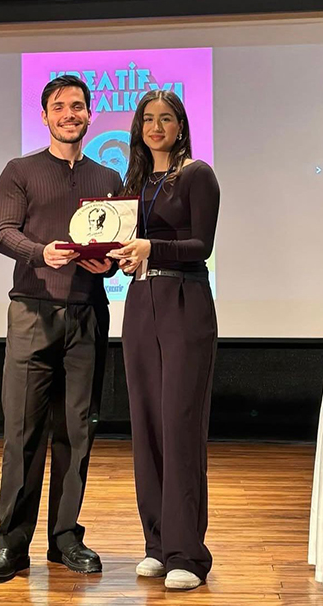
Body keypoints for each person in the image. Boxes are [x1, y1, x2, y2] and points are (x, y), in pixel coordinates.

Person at [0, 75, 123, 584]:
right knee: (22, 434)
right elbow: (4, 233)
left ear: (90, 114)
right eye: (59, 106)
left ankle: (66, 538)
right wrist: (41, 252)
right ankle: (11, 544)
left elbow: (117, 243)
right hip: (31, 313)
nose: (69, 114)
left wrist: (109, 264)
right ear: (44, 116)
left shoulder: (109, 177)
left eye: (78, 106)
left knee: (77, 432)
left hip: (88, 314)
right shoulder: (19, 171)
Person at [108, 90, 220, 591]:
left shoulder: (197, 175)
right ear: (138, 128)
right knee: (148, 426)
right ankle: (156, 545)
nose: (156, 127)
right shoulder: (133, 183)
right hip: (139, 302)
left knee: (180, 425)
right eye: (148, 119)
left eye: (166, 118)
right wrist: (110, 256)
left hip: (184, 301)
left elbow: (201, 245)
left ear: (180, 126)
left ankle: (187, 554)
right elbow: (122, 245)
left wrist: (152, 246)